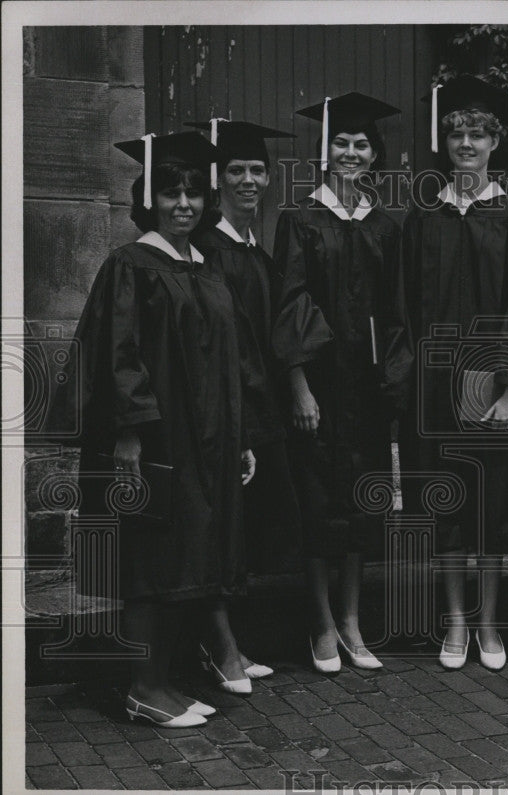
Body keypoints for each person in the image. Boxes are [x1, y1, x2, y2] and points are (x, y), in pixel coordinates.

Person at [66, 132, 255, 726]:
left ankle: (165, 680)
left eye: (194, 193)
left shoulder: (205, 266)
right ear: (148, 200)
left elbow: (228, 361)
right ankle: (144, 687)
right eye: (170, 192)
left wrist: (240, 436)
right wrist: (129, 434)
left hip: (209, 441)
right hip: (157, 441)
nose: (183, 204)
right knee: (153, 560)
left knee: (191, 558)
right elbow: (117, 356)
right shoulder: (131, 264)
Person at [400, 74, 508, 671]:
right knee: (444, 506)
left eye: (478, 135)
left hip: (491, 391)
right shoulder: (424, 217)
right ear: (445, 142)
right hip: (436, 390)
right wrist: (411, 378)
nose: (467, 143)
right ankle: (456, 622)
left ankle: (490, 623)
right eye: (458, 133)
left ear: (495, 144)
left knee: (488, 507)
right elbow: (403, 309)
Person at [272, 93, 411, 673]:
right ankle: (322, 623)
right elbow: (289, 303)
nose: (351, 152)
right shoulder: (300, 220)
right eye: (342, 143)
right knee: (317, 506)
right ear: (325, 153)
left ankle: (353, 624)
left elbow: (399, 311)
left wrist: (394, 382)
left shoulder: (385, 225)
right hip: (321, 392)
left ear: (374, 156)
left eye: (361, 145)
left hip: (367, 393)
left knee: (359, 508)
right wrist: (299, 387)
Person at [186, 119, 298, 693]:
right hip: (229, 410)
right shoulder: (209, 250)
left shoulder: (257, 250)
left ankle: (232, 643)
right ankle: (218, 647)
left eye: (257, 170)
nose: (248, 180)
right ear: (218, 179)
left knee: (248, 529)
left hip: (260, 408)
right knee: (223, 526)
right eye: (237, 171)